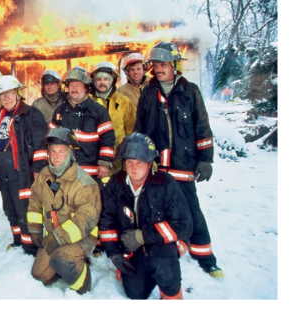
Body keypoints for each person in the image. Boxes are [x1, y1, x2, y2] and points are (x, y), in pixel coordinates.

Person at [135, 41, 223, 278]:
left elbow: (202, 127)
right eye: (155, 64)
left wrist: (206, 159)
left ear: (174, 65)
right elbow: (140, 130)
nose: (158, 68)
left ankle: (206, 258)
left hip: (182, 167)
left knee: (192, 211)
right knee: (156, 212)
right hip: (156, 168)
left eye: (163, 63)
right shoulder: (148, 93)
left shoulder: (190, 92)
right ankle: (171, 247)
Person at [99, 133, 193, 299]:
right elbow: (107, 221)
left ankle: (172, 296)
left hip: (164, 244)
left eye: (139, 163)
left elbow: (183, 225)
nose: (134, 167)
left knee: (164, 266)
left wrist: (142, 235)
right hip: (133, 249)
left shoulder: (165, 183)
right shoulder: (115, 184)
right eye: (129, 162)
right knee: (135, 293)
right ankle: (148, 271)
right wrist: (114, 253)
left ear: (149, 164)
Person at [27, 127, 101, 295]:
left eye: (61, 151)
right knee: (39, 274)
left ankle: (83, 281)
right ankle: (62, 265)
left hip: (80, 238)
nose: (56, 156)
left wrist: (57, 238)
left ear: (70, 154)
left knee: (62, 259)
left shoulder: (85, 183)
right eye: (53, 151)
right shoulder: (45, 175)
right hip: (54, 236)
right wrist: (35, 229)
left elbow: (84, 221)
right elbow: (35, 202)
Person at [0, 75, 47, 254]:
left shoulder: (31, 114)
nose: (6, 98)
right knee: (9, 207)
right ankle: (18, 240)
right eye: (2, 95)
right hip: (4, 171)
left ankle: (30, 246)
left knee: (25, 208)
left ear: (18, 93)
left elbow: (41, 145)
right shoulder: (1, 114)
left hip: (22, 172)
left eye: (10, 94)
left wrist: (36, 169)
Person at [48, 69, 116, 181]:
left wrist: (105, 162)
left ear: (86, 88)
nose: (74, 89)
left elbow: (108, 138)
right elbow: (51, 139)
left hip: (90, 170)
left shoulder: (98, 111)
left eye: (78, 86)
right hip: (65, 170)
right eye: (71, 86)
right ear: (67, 88)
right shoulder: (60, 111)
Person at [89, 61, 136, 179]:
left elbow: (131, 132)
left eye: (106, 79)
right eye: (99, 79)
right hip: (92, 157)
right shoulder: (87, 102)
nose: (102, 82)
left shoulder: (124, 102)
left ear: (113, 80)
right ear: (94, 81)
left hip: (118, 159)